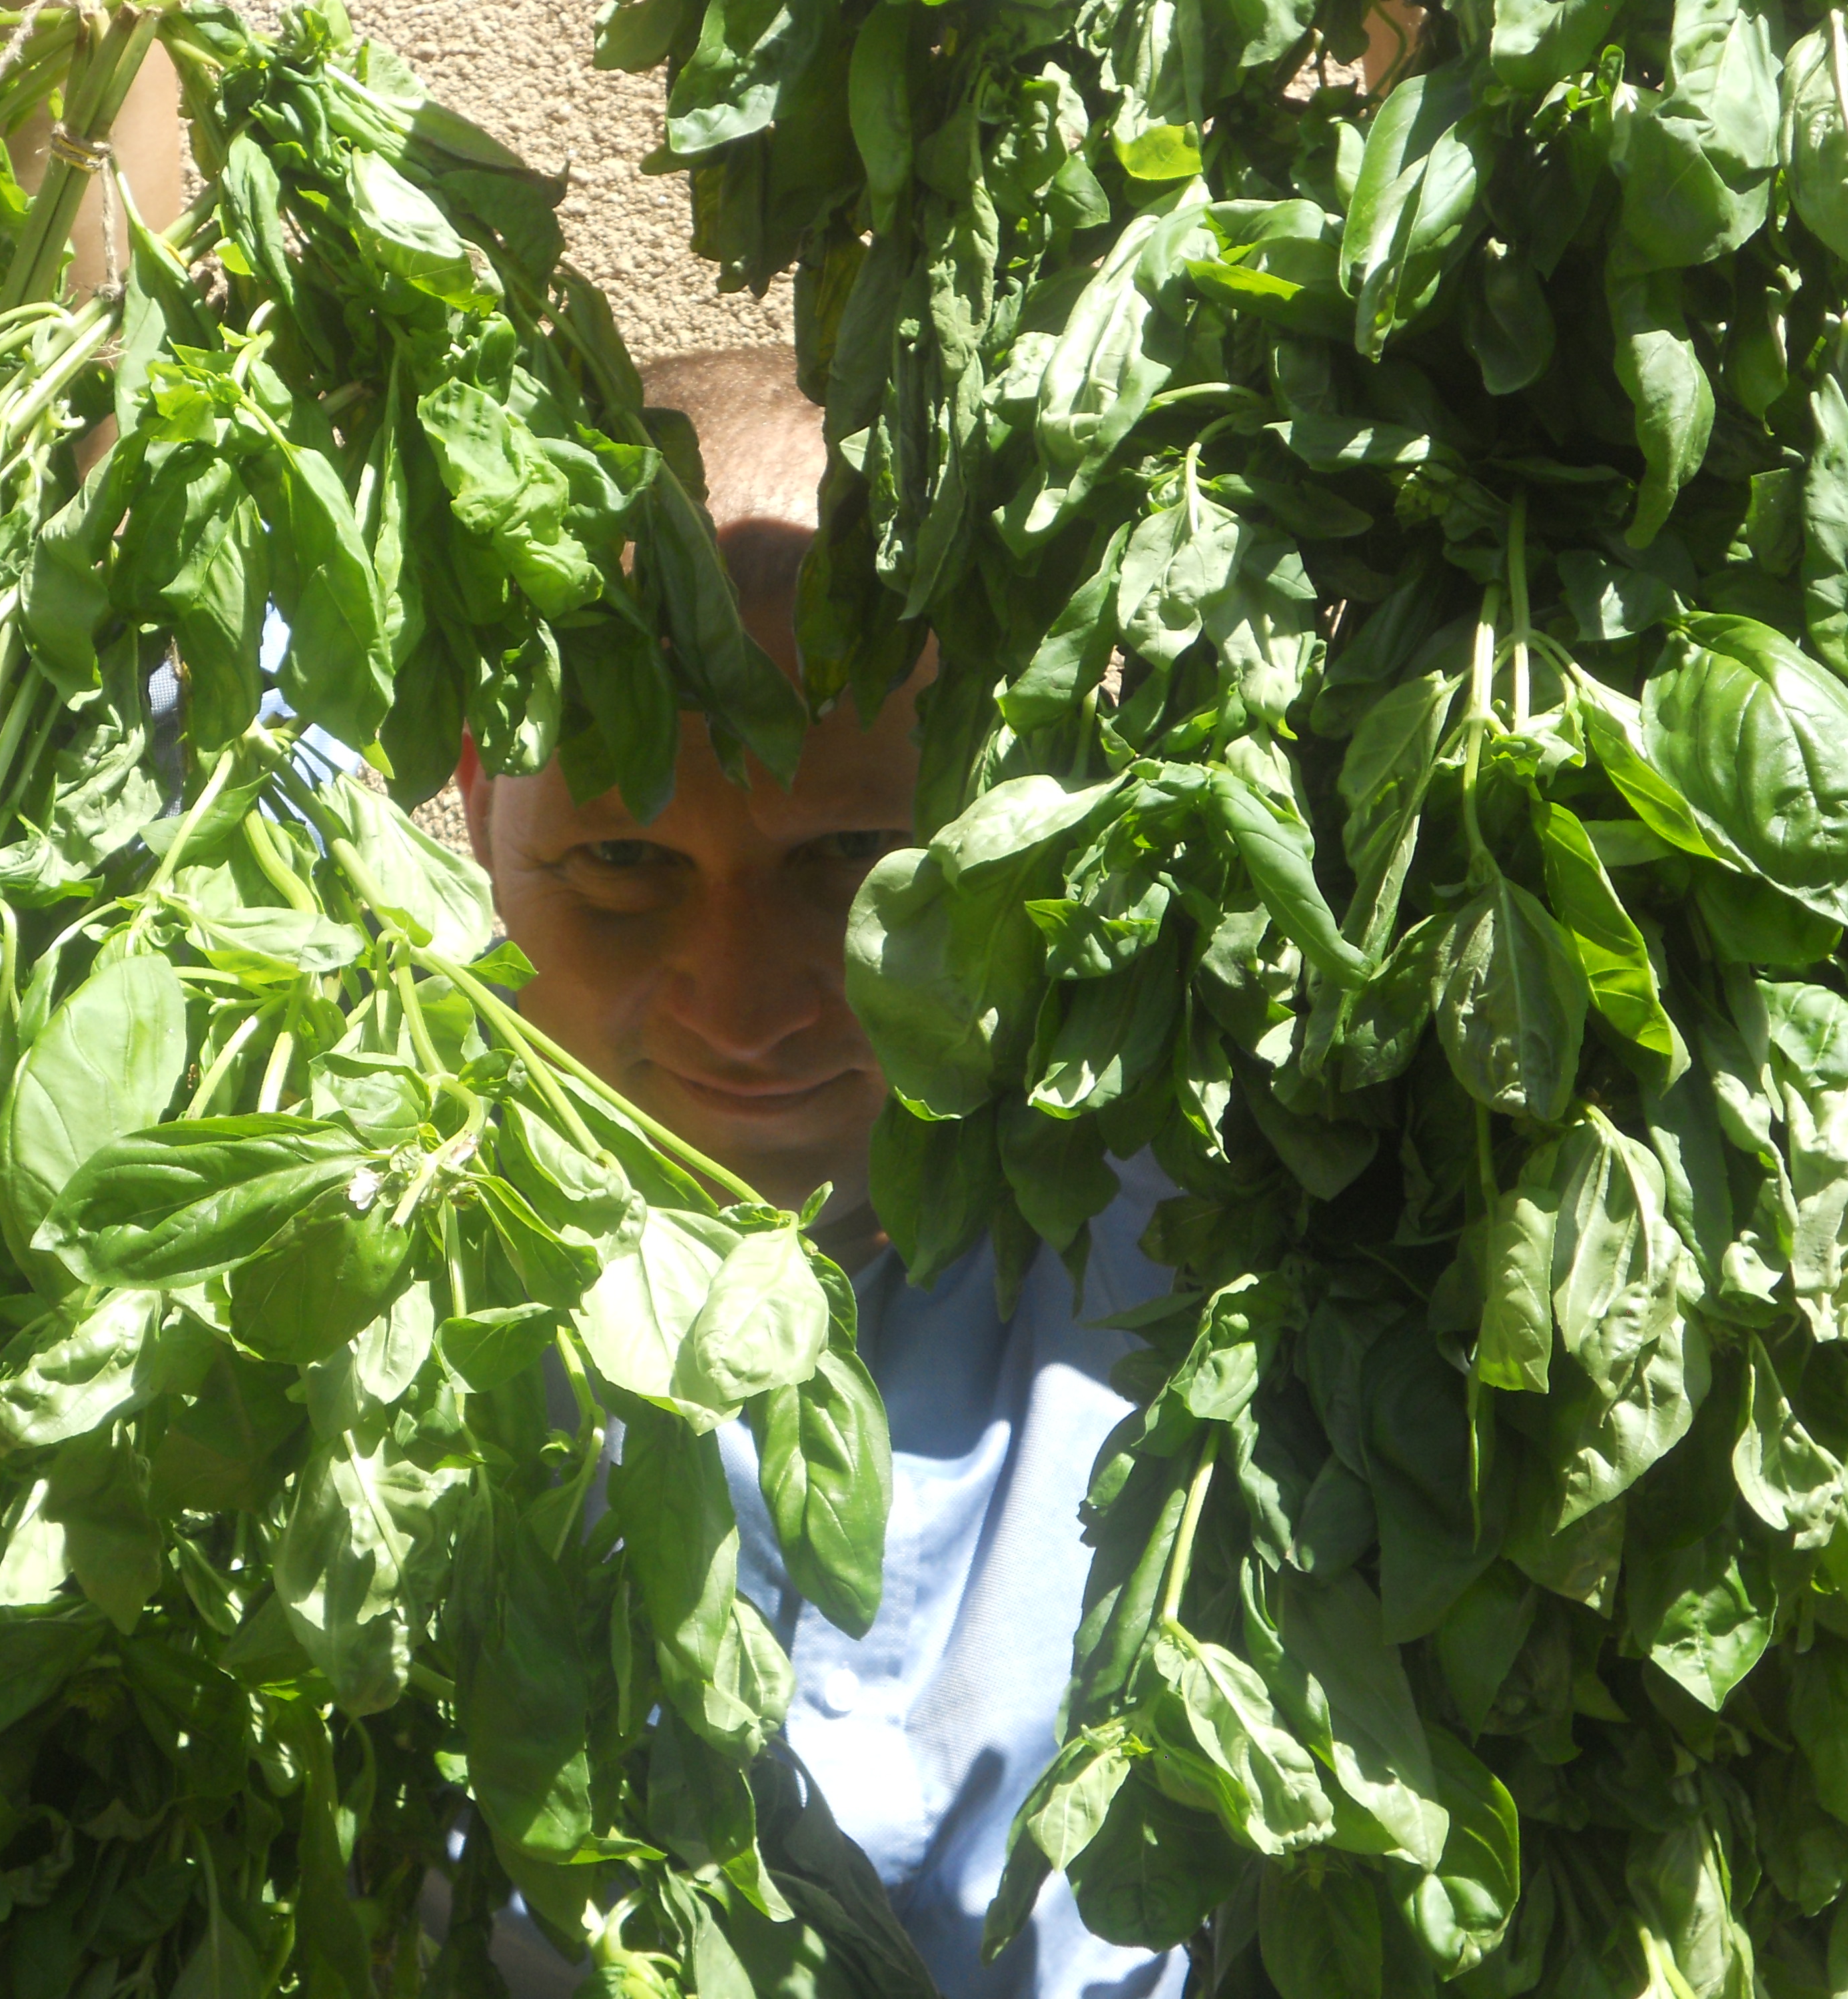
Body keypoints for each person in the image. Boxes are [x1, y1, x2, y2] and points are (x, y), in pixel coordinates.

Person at [457, 347, 1184, 1999]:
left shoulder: (1192, 1219)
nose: (741, 996)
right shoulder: (342, 1248)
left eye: (849, 862)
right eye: (623, 865)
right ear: (471, 796)